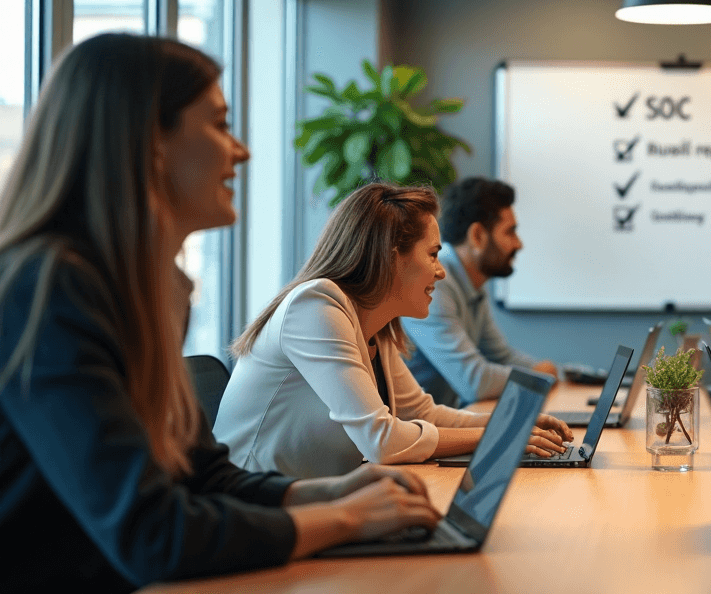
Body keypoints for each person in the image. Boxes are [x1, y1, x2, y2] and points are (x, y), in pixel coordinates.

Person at [0, 34, 450, 591]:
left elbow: (201, 474)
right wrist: (348, 520)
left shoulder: (152, 288)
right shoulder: (48, 289)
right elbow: (152, 535)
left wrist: (328, 492)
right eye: (218, 124)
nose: (241, 150)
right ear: (150, 143)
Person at [215, 182, 572, 479]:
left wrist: (512, 420)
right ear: (392, 256)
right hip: (253, 510)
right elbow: (381, 441)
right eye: (432, 255)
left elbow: (423, 415)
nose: (441, 271)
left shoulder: (374, 324)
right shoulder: (315, 306)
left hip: (309, 500)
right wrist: (499, 434)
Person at [403, 177, 557, 406]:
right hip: (411, 434)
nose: (518, 244)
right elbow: (475, 382)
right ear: (477, 235)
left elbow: (500, 356)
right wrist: (538, 375)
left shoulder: (470, 285)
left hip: (436, 425)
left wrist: (545, 370)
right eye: (510, 232)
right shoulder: (435, 284)